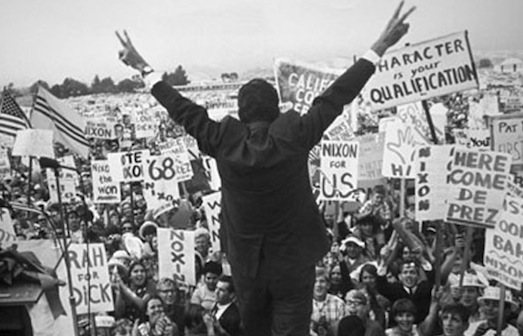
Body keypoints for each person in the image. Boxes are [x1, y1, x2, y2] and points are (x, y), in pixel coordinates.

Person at [116, 3, 415, 334]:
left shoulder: (222, 139)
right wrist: (379, 47)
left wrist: (142, 66)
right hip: (294, 263)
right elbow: (336, 97)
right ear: (275, 110)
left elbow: (181, 109)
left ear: (242, 113)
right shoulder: (295, 135)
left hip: (246, 267)